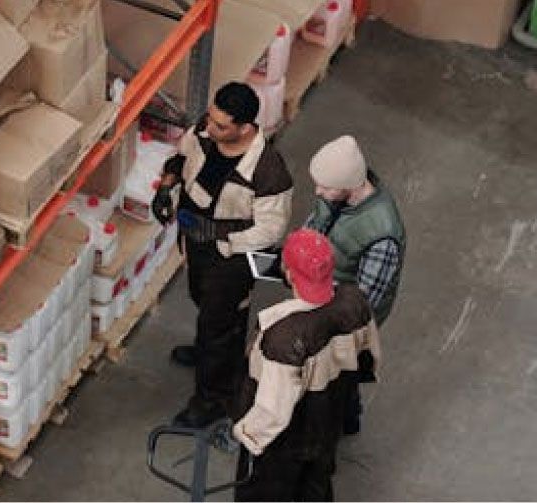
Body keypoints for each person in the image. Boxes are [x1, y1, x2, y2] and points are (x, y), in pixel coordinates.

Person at [151, 82, 293, 428]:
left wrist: (222, 241)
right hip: (197, 241)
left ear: (245, 127)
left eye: (221, 126)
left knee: (222, 323)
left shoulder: (268, 171)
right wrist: (167, 186)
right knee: (201, 299)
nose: (209, 128)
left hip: (231, 258)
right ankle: (207, 353)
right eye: (211, 120)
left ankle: (214, 397)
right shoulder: (206, 131)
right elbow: (182, 156)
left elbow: (271, 230)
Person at [231, 229, 380, 501]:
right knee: (316, 485)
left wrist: (246, 434)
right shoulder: (354, 302)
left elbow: (273, 411)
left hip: (288, 439)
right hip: (327, 419)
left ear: (288, 274)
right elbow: (369, 358)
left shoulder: (283, 338)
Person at [305, 135, 405, 434]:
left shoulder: (382, 234)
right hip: (322, 295)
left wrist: (318, 295)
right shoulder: (336, 192)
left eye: (325, 186)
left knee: (340, 374)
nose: (318, 191)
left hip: (344, 318)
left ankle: (343, 420)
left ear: (349, 185)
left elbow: (361, 305)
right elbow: (315, 224)